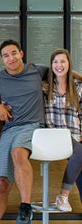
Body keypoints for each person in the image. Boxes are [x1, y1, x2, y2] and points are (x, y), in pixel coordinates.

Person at [0, 39, 49, 224]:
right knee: (1, 182)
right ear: (1, 59)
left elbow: (64, 71)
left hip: (32, 125)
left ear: (21, 53)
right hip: (9, 129)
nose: (11, 58)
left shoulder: (37, 70)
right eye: (6, 55)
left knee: (19, 153)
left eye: (14, 53)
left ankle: (26, 207)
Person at [44, 49, 82, 212]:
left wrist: (77, 76)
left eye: (63, 62)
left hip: (74, 136)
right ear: (51, 65)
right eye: (55, 62)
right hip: (53, 136)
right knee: (81, 152)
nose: (59, 65)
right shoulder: (44, 86)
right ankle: (63, 195)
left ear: (69, 65)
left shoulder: (78, 88)